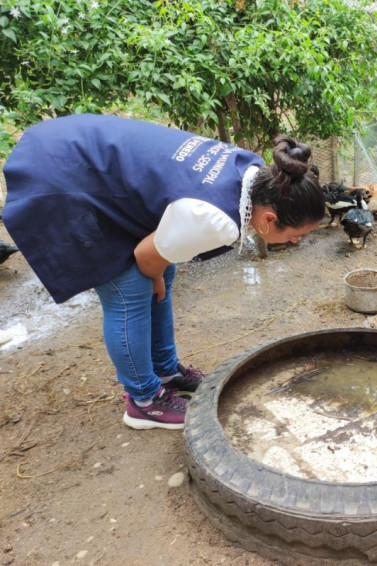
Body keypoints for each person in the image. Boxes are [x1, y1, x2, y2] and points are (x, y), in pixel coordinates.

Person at [2, 114, 325, 431]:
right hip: (62, 173)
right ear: (269, 219)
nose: (296, 242)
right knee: (129, 288)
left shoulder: (254, 172)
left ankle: (166, 371)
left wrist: (159, 272)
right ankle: (143, 401)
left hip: (86, 154)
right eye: (297, 234)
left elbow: (164, 248)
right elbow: (145, 256)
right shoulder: (216, 218)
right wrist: (154, 274)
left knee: (162, 273)